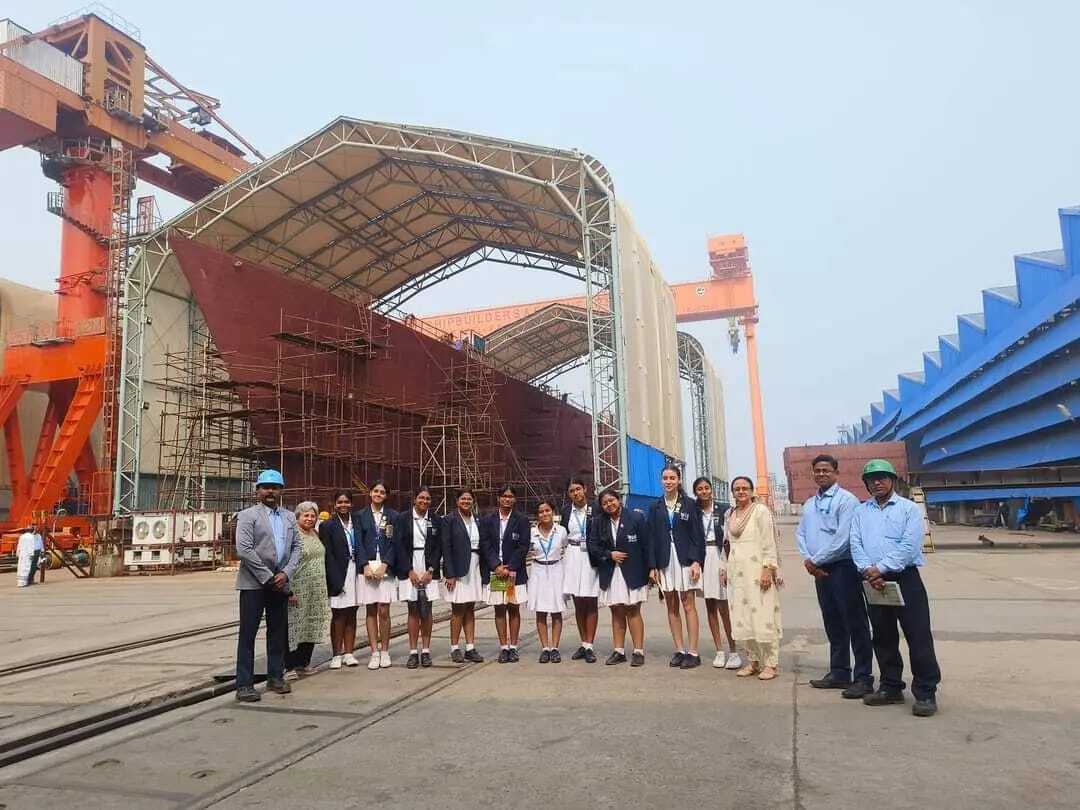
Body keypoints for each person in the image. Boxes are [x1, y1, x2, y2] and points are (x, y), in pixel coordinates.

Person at [851, 459, 942, 718]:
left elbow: (909, 546)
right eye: (872, 479)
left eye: (882, 477)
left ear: (892, 480)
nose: (877, 482)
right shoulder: (861, 512)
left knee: (918, 635)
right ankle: (890, 686)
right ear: (866, 484)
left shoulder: (908, 510)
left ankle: (925, 692)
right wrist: (868, 571)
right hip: (872, 581)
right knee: (882, 635)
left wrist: (879, 569)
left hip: (905, 579)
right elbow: (855, 543)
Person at [796, 454, 874, 699]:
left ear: (836, 472)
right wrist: (809, 560)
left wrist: (815, 560)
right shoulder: (810, 504)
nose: (821, 474)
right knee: (833, 622)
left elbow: (844, 538)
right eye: (817, 470)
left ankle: (863, 677)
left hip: (843, 568)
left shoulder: (846, 501)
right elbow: (801, 534)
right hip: (819, 570)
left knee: (855, 623)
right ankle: (839, 672)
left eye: (826, 470)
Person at [234, 469, 301, 702]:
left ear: (281, 490)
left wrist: (285, 573)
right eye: (266, 487)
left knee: (276, 633)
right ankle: (244, 684)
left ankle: (275, 676)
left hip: (280, 582)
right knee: (248, 635)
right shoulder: (247, 516)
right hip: (254, 584)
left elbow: (296, 549)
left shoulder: (289, 517)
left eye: (274, 487)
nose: (270, 491)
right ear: (258, 490)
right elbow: (244, 549)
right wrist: (267, 576)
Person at [723, 476, 783, 681]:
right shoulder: (729, 514)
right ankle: (753, 661)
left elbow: (769, 542)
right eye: (737, 489)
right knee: (742, 617)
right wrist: (725, 569)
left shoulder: (760, 511)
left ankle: (771, 664)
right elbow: (727, 544)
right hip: (737, 574)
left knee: (763, 616)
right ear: (732, 493)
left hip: (758, 572)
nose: (741, 492)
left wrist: (768, 569)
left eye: (744, 488)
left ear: (751, 491)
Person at [648, 465, 706, 669]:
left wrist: (697, 561)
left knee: (688, 603)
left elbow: (697, 535)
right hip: (665, 560)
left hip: (686, 559)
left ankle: (693, 651)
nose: (668, 481)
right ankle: (679, 649)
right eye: (665, 478)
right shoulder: (655, 507)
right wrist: (652, 566)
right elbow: (651, 538)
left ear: (679, 480)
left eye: (672, 478)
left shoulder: (690, 505)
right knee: (671, 605)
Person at [589, 487, 652, 667]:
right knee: (616, 611)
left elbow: (646, 545)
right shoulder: (598, 522)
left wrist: (650, 570)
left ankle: (638, 651)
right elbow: (593, 546)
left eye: (612, 500)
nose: (609, 505)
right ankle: (619, 651)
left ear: (619, 499)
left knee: (633, 610)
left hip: (633, 571)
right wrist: (610, 555)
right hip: (611, 571)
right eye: (605, 503)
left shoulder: (636, 518)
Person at [693, 477, 741, 670]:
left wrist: (730, 563)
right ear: (695, 492)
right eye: (699, 489)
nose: (703, 491)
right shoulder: (694, 511)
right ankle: (719, 650)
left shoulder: (724, 509)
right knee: (710, 606)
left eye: (706, 488)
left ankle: (734, 650)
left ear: (711, 490)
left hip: (721, 556)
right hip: (703, 557)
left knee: (725, 607)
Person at [393, 486, 442, 669]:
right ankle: (413, 652)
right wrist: (409, 570)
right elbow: (398, 545)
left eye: (428, 499)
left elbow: (439, 547)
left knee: (427, 610)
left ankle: (426, 650)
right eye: (421, 498)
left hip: (428, 567)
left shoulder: (436, 520)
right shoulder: (402, 519)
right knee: (413, 609)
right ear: (414, 499)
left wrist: (430, 570)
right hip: (410, 565)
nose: (424, 501)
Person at [482, 484, 530, 663]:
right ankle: (503, 647)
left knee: (513, 607)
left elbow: (523, 546)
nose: (507, 499)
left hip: (513, 573)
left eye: (510, 496)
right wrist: (496, 565)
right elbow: (485, 544)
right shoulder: (488, 520)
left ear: (514, 499)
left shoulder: (522, 520)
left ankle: (514, 647)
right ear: (498, 498)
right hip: (496, 572)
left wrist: (510, 567)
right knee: (499, 609)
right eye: (504, 496)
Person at [285, 501, 331, 680]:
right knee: (294, 627)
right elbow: (285, 562)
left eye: (313, 516)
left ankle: (303, 663)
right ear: (298, 517)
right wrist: (288, 590)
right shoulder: (292, 536)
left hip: (316, 589)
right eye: (306, 515)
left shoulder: (315, 533)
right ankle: (289, 666)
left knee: (311, 625)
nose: (310, 519)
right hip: (298, 587)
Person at [441, 487, 487, 663]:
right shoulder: (449, 520)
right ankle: (454, 648)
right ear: (457, 501)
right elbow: (446, 547)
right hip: (458, 569)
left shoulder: (477, 520)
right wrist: (450, 573)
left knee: (470, 608)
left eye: (469, 499)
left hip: (474, 567)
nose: (466, 502)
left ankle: (470, 647)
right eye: (463, 499)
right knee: (457, 609)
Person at [357, 481, 399, 670]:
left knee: (384, 609)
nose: (378, 494)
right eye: (376, 491)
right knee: (371, 610)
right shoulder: (359, 516)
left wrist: (386, 564)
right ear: (370, 493)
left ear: (386, 496)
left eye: (382, 492)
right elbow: (358, 542)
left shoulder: (393, 516)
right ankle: (374, 652)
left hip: (385, 567)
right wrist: (364, 565)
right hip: (368, 567)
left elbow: (395, 543)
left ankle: (385, 651)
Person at [320, 489, 362, 669]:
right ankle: (336, 653)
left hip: (356, 571)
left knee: (352, 612)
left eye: (346, 502)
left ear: (351, 504)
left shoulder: (357, 522)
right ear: (334, 504)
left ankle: (349, 653)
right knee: (338, 614)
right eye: (340, 502)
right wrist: (334, 579)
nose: (343, 505)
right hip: (338, 572)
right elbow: (327, 555)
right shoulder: (327, 526)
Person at [561, 477, 600, 662]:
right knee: (578, 601)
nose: (576, 493)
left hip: (590, 555)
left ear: (585, 488)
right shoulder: (566, 511)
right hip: (573, 554)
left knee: (590, 599)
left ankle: (590, 645)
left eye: (578, 489)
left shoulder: (595, 508)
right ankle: (583, 642)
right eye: (571, 491)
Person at [528, 498, 570, 662]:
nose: (544, 514)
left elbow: (566, 547)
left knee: (556, 611)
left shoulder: (561, 531)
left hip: (556, 570)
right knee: (541, 611)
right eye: (541, 512)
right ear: (537, 515)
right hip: (538, 571)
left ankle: (555, 647)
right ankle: (545, 647)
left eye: (547, 511)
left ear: (553, 512)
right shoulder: (532, 532)